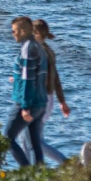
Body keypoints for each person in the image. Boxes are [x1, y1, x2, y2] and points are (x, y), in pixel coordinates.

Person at [23, 19, 71, 164]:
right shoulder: (48, 51)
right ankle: (27, 173)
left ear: (37, 34)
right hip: (47, 99)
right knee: (26, 139)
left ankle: (66, 164)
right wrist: (62, 101)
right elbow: (55, 77)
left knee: (32, 140)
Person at [4, 16, 48, 166]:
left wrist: (25, 107)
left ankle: (26, 173)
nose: (12, 34)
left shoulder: (28, 49)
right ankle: (39, 178)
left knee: (6, 138)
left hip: (28, 103)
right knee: (34, 144)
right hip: (41, 102)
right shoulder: (37, 47)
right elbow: (34, 75)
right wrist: (16, 78)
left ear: (22, 31)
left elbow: (29, 81)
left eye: (14, 31)